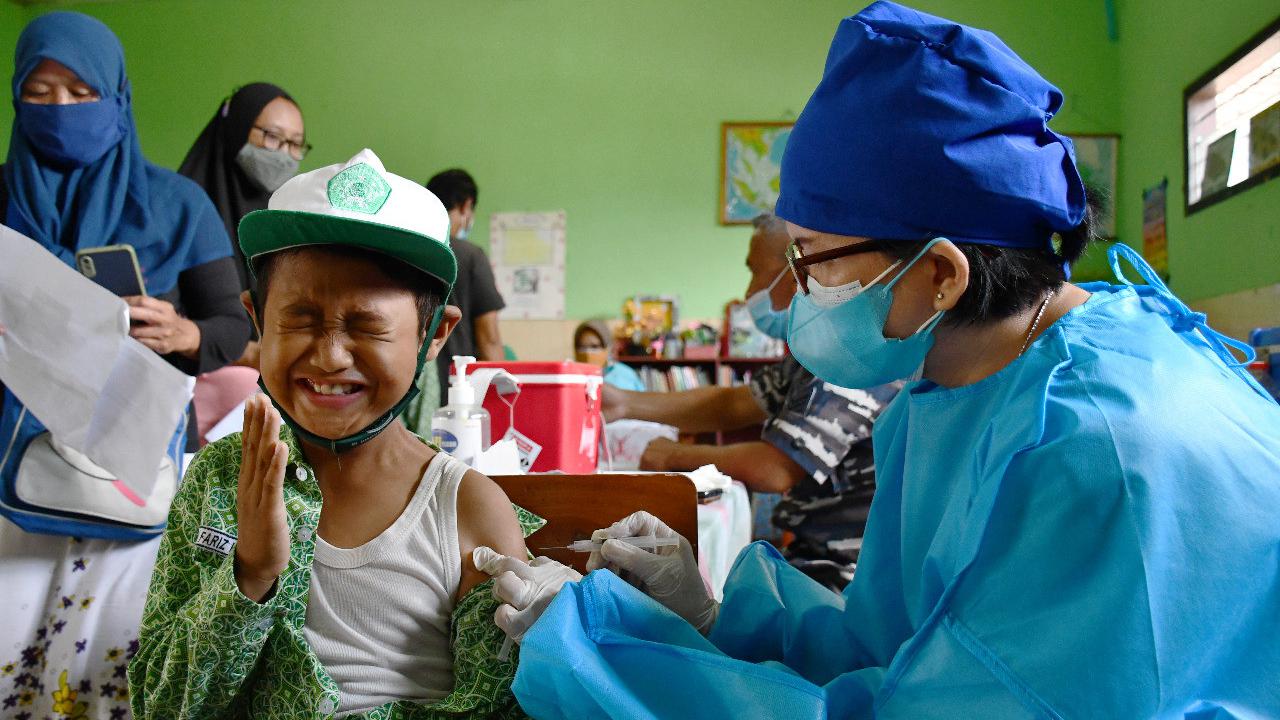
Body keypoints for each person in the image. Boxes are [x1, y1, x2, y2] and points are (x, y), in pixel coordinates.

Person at [477, 3, 1280, 717]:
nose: (792, 294)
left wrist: (604, 650)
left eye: (813, 260)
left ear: (939, 274)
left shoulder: (1098, 452)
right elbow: (899, 656)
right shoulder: (946, 393)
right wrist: (714, 618)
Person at [130, 149, 532, 719]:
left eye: (367, 326)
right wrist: (249, 577)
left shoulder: (468, 510)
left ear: (433, 335)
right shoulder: (219, 482)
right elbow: (161, 707)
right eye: (298, 320)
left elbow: (493, 708)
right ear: (256, 319)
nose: (329, 355)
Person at [0, 13, 250, 719]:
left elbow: (233, 324)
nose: (57, 110)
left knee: (115, 674)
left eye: (80, 91)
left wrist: (183, 331)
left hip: (129, 481)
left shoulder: (177, 205)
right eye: (37, 92)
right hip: (7, 486)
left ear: (117, 97)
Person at [603, 213, 898, 590]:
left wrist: (671, 455)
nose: (748, 294)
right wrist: (625, 403)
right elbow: (734, 404)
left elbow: (776, 469)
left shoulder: (852, 357)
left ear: (799, 271)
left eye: (756, 272)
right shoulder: (816, 351)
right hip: (814, 553)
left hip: (843, 573)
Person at [178, 82, 307, 442]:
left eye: (295, 144)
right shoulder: (183, 208)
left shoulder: (286, 221)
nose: (285, 154)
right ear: (237, 130)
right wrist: (254, 354)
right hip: (199, 375)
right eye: (272, 138)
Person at [425, 169, 505, 402]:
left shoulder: (410, 252)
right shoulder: (470, 256)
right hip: (460, 391)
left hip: (412, 392)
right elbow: (489, 339)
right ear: (466, 206)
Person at [573, 319, 644, 391]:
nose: (587, 352)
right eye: (582, 347)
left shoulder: (625, 375)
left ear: (608, 347)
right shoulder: (571, 377)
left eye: (594, 347)